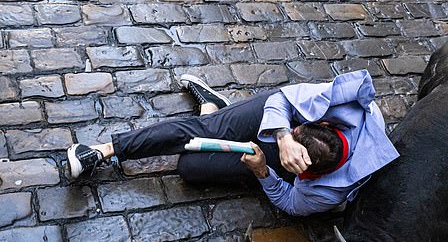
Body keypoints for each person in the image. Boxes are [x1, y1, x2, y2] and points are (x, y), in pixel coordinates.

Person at [66, 70, 399, 216]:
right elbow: (281, 103)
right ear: (320, 122)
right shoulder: (338, 105)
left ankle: (212, 103)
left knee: (190, 167)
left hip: (268, 161)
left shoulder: (328, 191)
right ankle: (103, 150)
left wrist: (264, 171)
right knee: (202, 129)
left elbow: (291, 204)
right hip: (279, 117)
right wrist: (283, 135)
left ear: (309, 174)